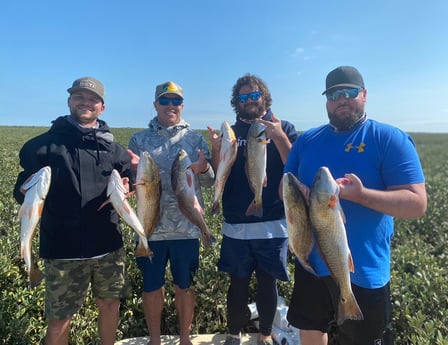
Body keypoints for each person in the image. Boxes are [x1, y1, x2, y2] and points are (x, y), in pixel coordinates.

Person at [284, 66, 427, 345]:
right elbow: (284, 184)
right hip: (312, 264)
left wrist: (361, 195)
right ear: (327, 101)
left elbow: (417, 204)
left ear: (364, 95)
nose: (342, 100)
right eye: (334, 94)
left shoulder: (389, 139)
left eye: (349, 92)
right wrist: (297, 192)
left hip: (363, 271)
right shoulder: (307, 140)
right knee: (311, 330)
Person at [13, 77, 133, 345]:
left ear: (102, 108)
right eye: (80, 97)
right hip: (62, 248)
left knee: (110, 305)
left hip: (108, 245)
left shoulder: (114, 150)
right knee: (59, 319)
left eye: (93, 99)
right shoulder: (42, 146)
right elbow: (21, 187)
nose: (85, 103)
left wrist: (130, 183)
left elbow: (128, 182)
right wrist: (23, 190)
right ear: (69, 101)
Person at [207, 73, 298, 345]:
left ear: (264, 98)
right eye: (243, 97)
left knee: (268, 283)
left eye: (254, 95)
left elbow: (296, 165)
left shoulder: (284, 127)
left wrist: (279, 136)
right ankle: (234, 333)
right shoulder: (231, 133)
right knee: (237, 282)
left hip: (273, 222)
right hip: (237, 222)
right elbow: (218, 172)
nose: (249, 101)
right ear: (237, 102)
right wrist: (215, 148)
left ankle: (266, 334)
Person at [127, 81, 215, 345]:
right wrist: (129, 173)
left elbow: (209, 180)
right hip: (149, 228)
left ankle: (185, 339)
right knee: (152, 288)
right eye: (164, 101)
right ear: (155, 105)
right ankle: (155, 339)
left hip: (187, 229)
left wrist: (203, 169)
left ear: (182, 106)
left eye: (175, 101)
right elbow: (131, 184)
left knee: (185, 287)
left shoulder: (195, 139)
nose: (170, 106)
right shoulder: (139, 140)